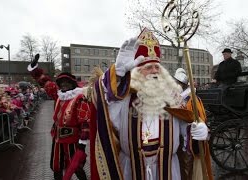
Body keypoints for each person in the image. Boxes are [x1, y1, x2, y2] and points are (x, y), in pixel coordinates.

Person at [92, 28, 210, 180]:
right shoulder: (124, 100)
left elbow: (186, 131)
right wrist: (118, 74)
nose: (154, 71)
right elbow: (101, 104)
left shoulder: (173, 98)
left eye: (157, 67)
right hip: (131, 170)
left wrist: (199, 133)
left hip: (168, 170)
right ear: (136, 71)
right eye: (148, 67)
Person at [27, 54, 95, 180]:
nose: (63, 84)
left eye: (67, 82)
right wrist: (34, 68)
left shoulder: (80, 98)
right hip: (57, 138)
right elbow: (44, 81)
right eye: (61, 82)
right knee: (56, 166)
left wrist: (82, 143)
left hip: (73, 139)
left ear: (72, 84)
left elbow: (85, 122)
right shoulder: (58, 95)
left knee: (76, 167)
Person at [173, 68, 213, 180]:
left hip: (189, 142)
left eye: (178, 83)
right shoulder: (177, 97)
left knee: (188, 170)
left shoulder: (192, 99)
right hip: (179, 141)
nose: (175, 85)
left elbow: (201, 119)